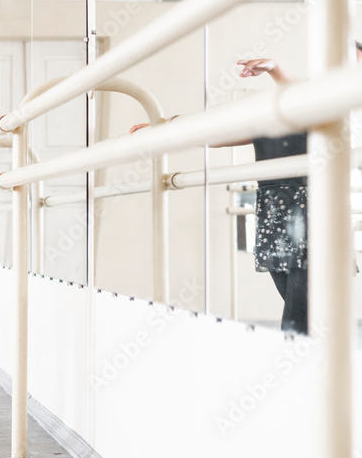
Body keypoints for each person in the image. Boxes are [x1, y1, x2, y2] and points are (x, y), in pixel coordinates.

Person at [130, 41, 362, 335]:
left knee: (297, 319)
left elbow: (312, 101)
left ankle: (309, 360)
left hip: (317, 218)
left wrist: (276, 69)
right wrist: (165, 128)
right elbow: (218, 137)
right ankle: (322, 357)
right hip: (275, 218)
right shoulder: (281, 112)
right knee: (302, 314)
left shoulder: (341, 109)